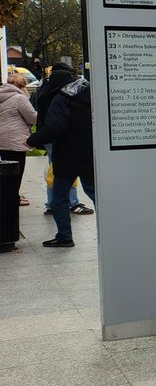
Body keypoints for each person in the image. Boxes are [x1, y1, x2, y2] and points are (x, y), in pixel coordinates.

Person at [26, 73, 95, 248]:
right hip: (89, 155)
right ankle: (115, 229)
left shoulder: (62, 98)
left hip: (67, 157)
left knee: (59, 198)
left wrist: (32, 140)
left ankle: (64, 236)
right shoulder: (92, 95)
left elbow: (55, 128)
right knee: (96, 194)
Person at [34, 64, 91, 216]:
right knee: (67, 173)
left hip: (50, 137)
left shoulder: (45, 90)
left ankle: (52, 204)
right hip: (63, 139)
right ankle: (72, 202)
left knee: (54, 171)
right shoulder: (62, 94)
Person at [0, 71, 36, 210]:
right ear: (21, 86)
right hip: (15, 140)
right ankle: (13, 198)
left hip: (2, 140)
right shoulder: (19, 98)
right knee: (17, 172)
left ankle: (7, 196)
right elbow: (32, 117)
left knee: (5, 171)